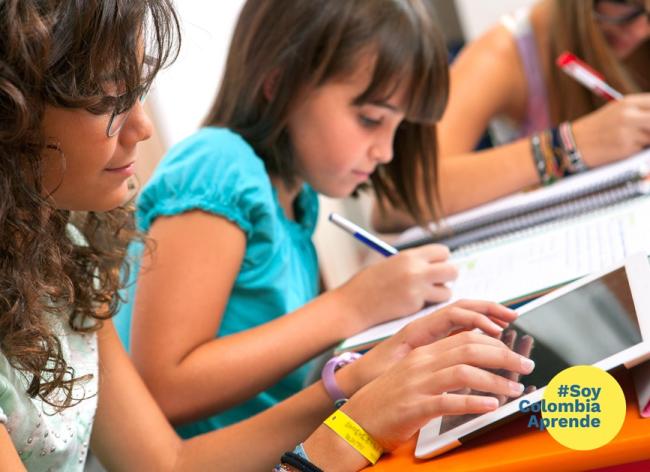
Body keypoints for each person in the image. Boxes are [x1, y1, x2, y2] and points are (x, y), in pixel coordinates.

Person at [0, 0, 535, 470]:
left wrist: (355, 383)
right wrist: (351, 319)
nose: (142, 128)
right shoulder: (221, 167)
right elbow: (166, 388)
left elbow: (168, 462)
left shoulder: (66, 250)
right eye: (107, 99)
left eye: (140, 93)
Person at [117, 0, 464, 437]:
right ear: (278, 83)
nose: (386, 151)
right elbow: (165, 387)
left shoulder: (297, 199)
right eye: (370, 119)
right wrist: (352, 305)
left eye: (397, 127)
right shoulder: (217, 169)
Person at [373, 0, 650, 231]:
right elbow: (395, 203)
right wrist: (565, 146)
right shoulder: (506, 54)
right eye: (624, 1)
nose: (638, 30)